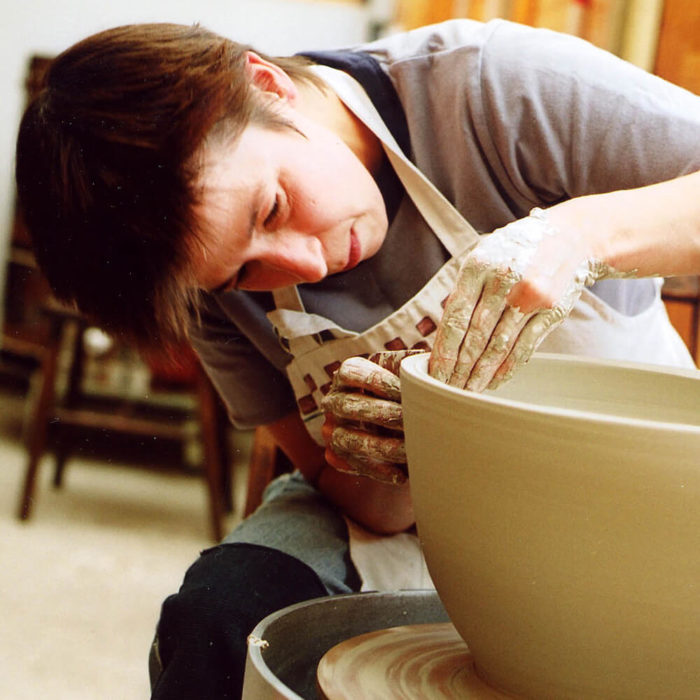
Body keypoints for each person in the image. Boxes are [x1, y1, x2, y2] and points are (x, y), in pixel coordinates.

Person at [15, 17, 700, 698]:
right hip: (428, 531)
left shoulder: (489, 85)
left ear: (268, 86)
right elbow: (359, 502)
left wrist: (583, 232)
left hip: (632, 490)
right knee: (218, 621)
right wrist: (400, 457)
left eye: (273, 208)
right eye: (241, 272)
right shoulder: (207, 289)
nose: (304, 264)